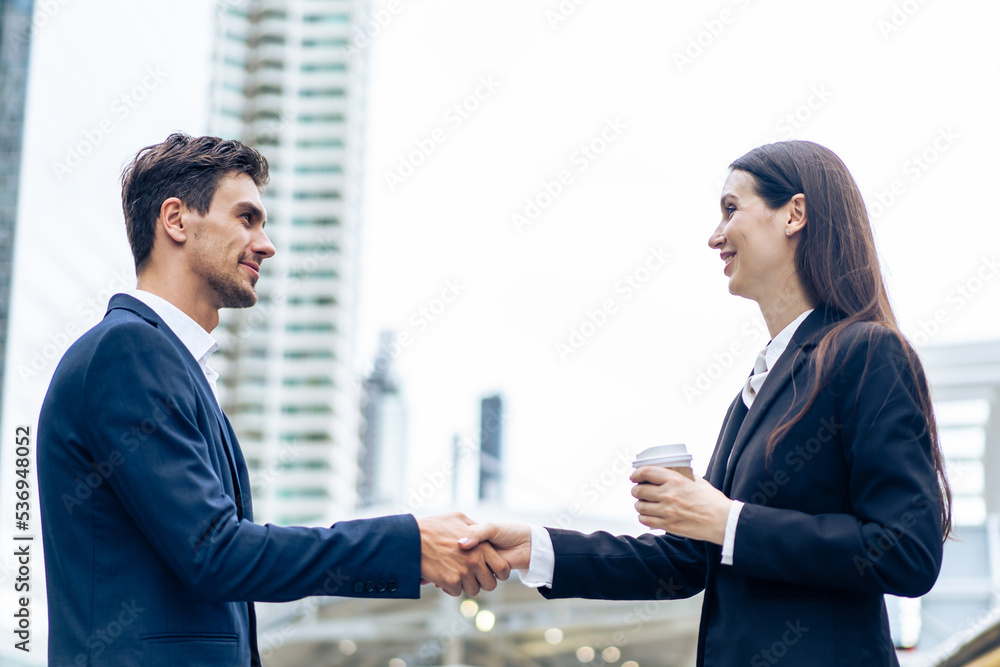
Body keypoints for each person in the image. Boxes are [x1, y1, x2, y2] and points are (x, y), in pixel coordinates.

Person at [461, 140, 951, 667]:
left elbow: (906, 552)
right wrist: (535, 549)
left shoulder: (868, 353)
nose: (715, 236)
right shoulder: (761, 383)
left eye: (731, 209)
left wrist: (729, 521)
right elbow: (688, 561)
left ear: (795, 214)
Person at [37, 133, 509, 666]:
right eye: (246, 218)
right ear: (176, 220)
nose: (266, 244)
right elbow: (215, 553)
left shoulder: (165, 362)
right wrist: (409, 544)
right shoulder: (127, 353)